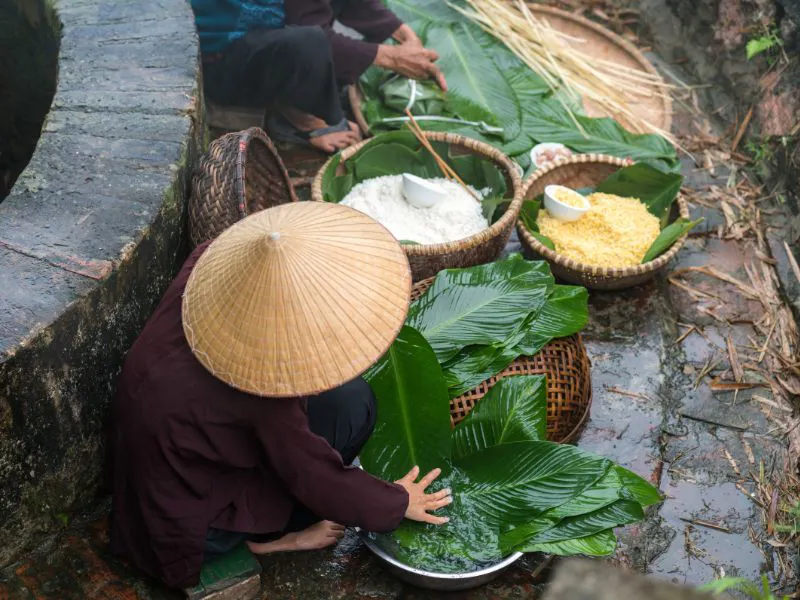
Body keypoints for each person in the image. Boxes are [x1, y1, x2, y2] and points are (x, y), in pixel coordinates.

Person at [109, 202, 452, 589]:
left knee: (347, 398)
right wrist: (398, 502)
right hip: (186, 511)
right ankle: (267, 542)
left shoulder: (210, 260)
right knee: (353, 409)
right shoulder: (258, 384)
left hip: (148, 455)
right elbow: (313, 475)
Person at [189, 0, 446, 153]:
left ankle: (298, 99)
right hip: (223, 62)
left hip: (264, 41)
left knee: (309, 41)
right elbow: (316, 35)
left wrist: (401, 33)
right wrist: (391, 57)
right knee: (308, 42)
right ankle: (304, 120)